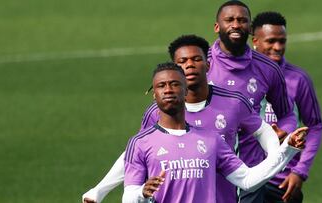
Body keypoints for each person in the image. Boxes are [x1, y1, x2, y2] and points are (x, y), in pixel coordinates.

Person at [82, 35, 281, 203]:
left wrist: (276, 156)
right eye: (182, 62)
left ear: (208, 64)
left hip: (226, 196)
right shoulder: (158, 111)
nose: (190, 66)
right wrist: (100, 190)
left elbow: (262, 130)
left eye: (196, 59)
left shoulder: (233, 102)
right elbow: (135, 154)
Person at [122, 62, 307, 203]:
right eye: (161, 86)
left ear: (186, 90)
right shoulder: (139, 143)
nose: (168, 90)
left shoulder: (211, 140)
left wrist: (287, 150)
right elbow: (128, 197)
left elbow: (247, 179)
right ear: (154, 94)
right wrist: (141, 193)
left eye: (174, 84)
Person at [207, 1, 297, 202]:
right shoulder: (200, 64)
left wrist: (284, 130)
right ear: (216, 27)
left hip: (251, 169)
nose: (236, 25)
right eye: (229, 20)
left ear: (249, 28)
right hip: (207, 169)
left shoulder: (268, 69)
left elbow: (287, 114)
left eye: (242, 20)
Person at [252, 11, 322, 203]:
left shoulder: (298, 79)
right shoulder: (239, 77)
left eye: (282, 41)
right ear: (255, 41)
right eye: (271, 41)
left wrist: (300, 171)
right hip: (245, 178)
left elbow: (315, 126)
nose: (277, 47)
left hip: (282, 182)